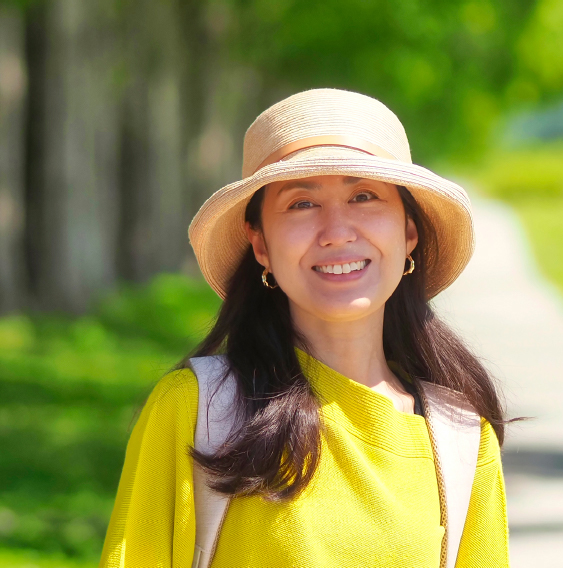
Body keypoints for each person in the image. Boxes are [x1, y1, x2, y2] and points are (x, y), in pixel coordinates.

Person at [101, 89, 510, 567]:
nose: (337, 230)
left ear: (409, 233)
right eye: (301, 204)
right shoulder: (197, 410)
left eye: (364, 196)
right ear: (260, 244)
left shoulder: (460, 439)